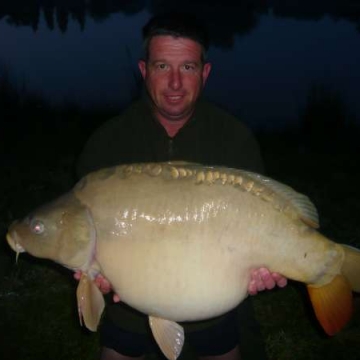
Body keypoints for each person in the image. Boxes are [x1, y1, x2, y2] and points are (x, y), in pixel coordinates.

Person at [76, 12, 287, 360]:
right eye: (162, 67)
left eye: (187, 68)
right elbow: (86, 243)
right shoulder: (106, 142)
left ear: (205, 73)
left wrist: (264, 268)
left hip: (213, 309)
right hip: (127, 311)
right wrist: (90, 272)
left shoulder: (235, 139)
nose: (175, 83)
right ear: (144, 71)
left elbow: (261, 223)